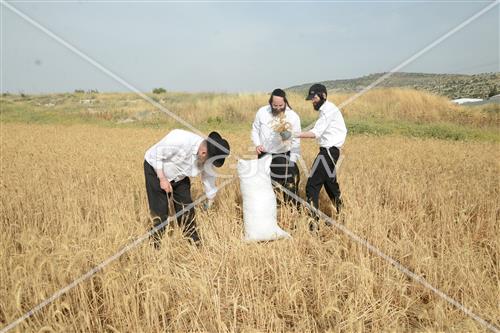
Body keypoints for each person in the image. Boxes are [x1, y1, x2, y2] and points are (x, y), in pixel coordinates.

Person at [144, 129, 230, 246]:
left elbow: (208, 178)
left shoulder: (206, 158)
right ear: (203, 153)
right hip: (155, 169)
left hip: (180, 176)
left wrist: (209, 201)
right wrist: (162, 179)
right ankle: (155, 245)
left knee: (187, 209)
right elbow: (156, 156)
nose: (207, 164)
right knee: (161, 211)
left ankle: (194, 244)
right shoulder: (179, 139)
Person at [294, 83, 347, 218]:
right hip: (331, 152)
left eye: (314, 98)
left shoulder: (327, 110)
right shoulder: (329, 109)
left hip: (328, 152)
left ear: (323, 96)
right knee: (330, 185)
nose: (313, 101)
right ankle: (344, 213)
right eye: (311, 98)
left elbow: (315, 133)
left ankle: (313, 223)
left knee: (312, 186)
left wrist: (293, 134)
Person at [251, 88, 301, 205]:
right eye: (275, 105)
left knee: (289, 189)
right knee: (267, 188)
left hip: (283, 156)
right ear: (270, 103)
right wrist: (257, 144)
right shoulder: (262, 112)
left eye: (281, 105)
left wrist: (292, 161)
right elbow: (255, 130)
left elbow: (296, 140)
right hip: (264, 155)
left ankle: (290, 214)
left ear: (285, 102)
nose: (278, 108)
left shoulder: (293, 117)